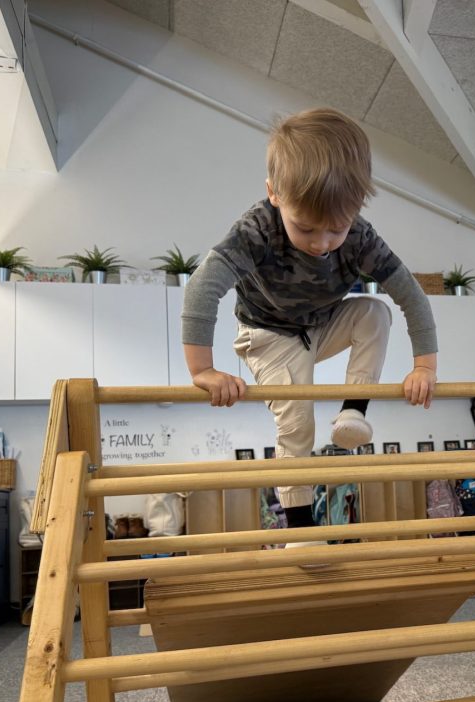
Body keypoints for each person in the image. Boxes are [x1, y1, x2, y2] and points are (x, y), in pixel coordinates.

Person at [182, 108, 438, 545]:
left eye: (336, 230)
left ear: (356, 209)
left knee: (374, 312)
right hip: (268, 335)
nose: (321, 243)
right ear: (274, 193)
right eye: (305, 228)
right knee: (298, 424)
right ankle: (301, 531)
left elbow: (411, 295)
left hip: (320, 327)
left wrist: (424, 368)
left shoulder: (360, 237)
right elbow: (201, 289)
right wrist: (202, 370)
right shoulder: (255, 231)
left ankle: (354, 411)